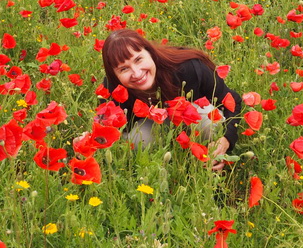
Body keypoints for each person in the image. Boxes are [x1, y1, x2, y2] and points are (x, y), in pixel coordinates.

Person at [100, 29, 241, 171]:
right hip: (155, 127)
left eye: (138, 59)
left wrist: (226, 140)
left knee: (209, 122)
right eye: (124, 69)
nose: (137, 73)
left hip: (194, 121)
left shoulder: (189, 67)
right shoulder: (114, 90)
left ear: (150, 52)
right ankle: (162, 166)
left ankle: (209, 159)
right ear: (114, 75)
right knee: (135, 141)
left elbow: (233, 101)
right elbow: (107, 129)